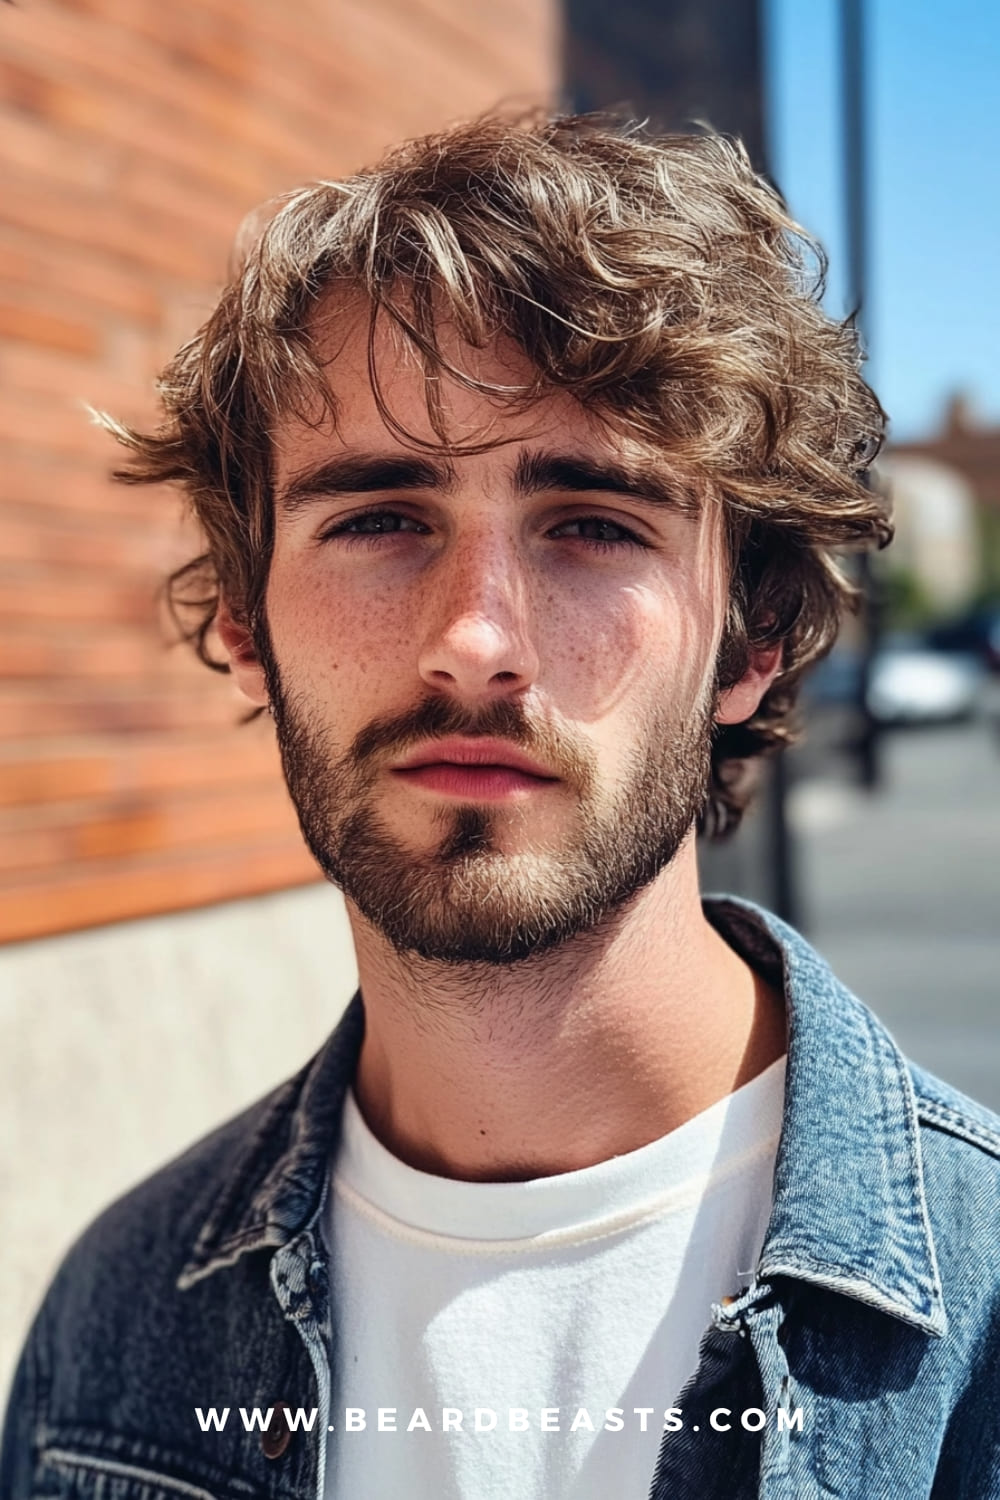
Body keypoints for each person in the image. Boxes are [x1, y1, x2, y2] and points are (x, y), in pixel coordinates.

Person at [4, 111, 999, 1500]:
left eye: (594, 524)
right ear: (246, 618)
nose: (475, 639)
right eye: (377, 519)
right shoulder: (114, 1321)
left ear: (754, 635)